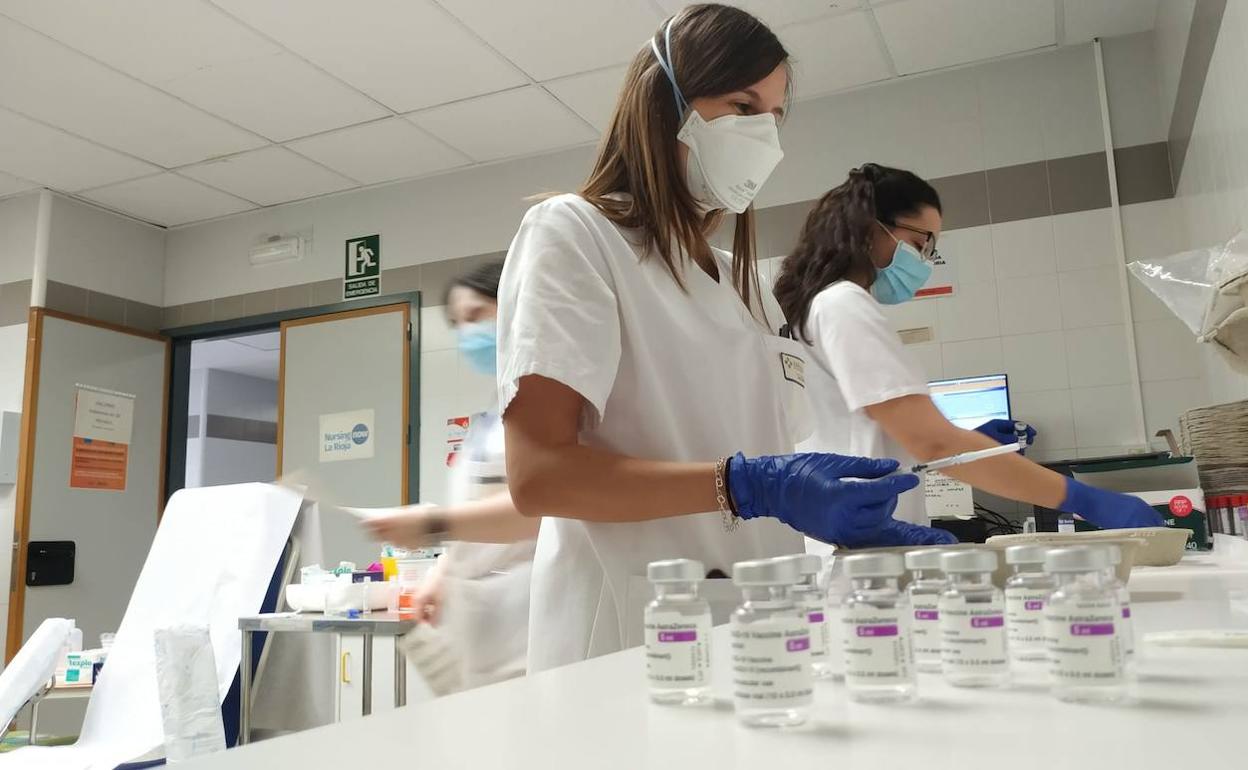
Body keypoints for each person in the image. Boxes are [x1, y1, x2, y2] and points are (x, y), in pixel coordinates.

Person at [496, 5, 954, 674]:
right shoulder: (574, 234)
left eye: (773, 116)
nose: (764, 135)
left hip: (761, 626)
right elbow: (539, 477)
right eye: (744, 106)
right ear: (665, 104)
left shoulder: (741, 283)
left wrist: (837, 516)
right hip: (635, 639)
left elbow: (760, 446)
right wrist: (748, 485)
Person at [772, 162, 1164, 531]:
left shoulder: (816, 306)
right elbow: (932, 442)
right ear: (869, 228)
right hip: (862, 544)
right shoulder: (843, 303)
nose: (925, 262)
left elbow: (876, 434)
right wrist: (1086, 499)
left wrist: (973, 443)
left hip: (852, 533)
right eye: (920, 243)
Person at [365, 261, 538, 687]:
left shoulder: (543, 406)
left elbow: (540, 505)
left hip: (528, 616)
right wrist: (441, 573)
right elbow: (478, 513)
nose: (467, 332)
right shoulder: (494, 413)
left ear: (515, 306)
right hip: (481, 626)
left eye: (477, 314)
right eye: (457, 322)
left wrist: (432, 525)